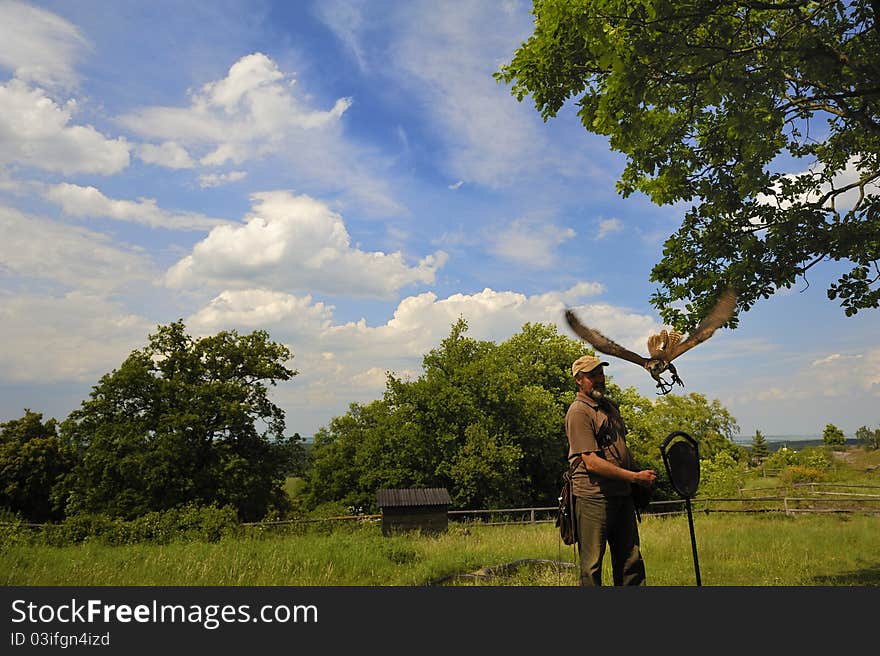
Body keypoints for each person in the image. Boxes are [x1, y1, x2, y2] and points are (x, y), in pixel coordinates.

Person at [565, 354, 657, 586]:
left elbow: (620, 449)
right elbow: (591, 462)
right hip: (593, 498)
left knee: (631, 562)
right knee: (592, 567)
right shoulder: (579, 412)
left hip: (621, 495)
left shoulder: (609, 407)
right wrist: (635, 477)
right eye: (591, 376)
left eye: (600, 374)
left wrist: (637, 472)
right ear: (578, 380)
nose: (598, 379)